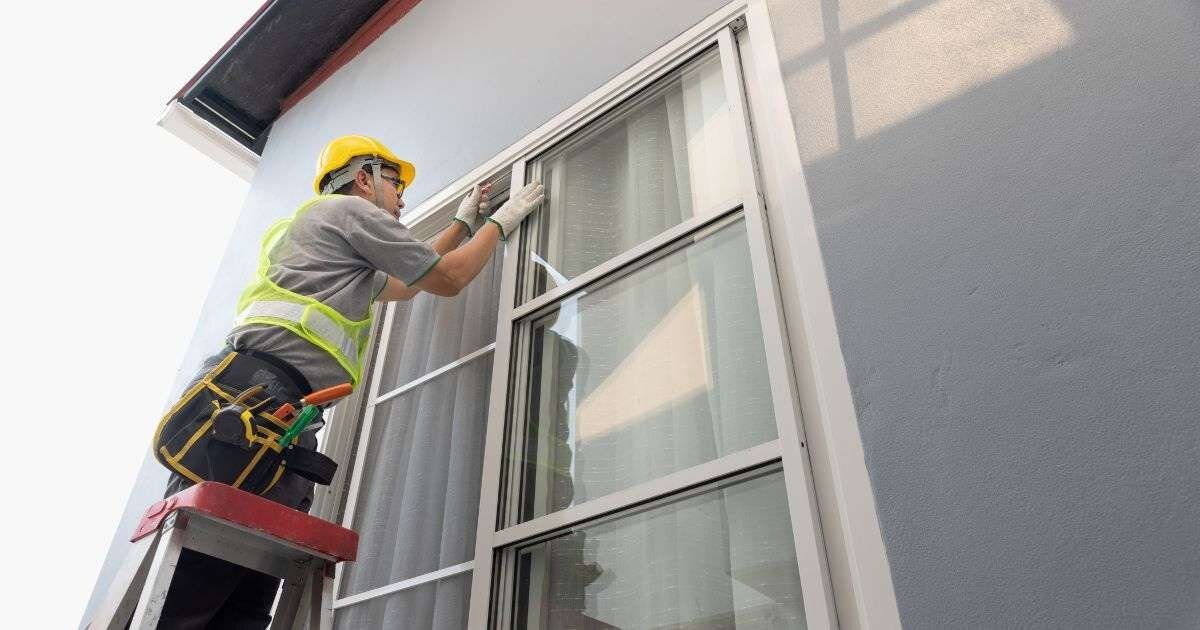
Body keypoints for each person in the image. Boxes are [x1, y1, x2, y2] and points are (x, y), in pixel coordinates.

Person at [153, 134, 543, 628]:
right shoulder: (346, 213)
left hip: (274, 408)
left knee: (244, 584)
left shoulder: (324, 235)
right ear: (364, 178)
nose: (402, 200)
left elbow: (406, 285)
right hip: (258, 405)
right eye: (396, 185)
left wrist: (463, 223)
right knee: (202, 578)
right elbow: (446, 279)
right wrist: (498, 225)